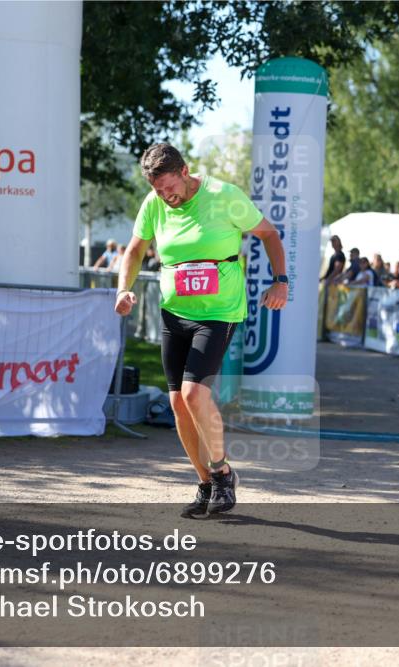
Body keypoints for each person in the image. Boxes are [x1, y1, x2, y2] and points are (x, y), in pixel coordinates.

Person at [114, 143, 287, 517]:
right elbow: (135, 249)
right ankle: (206, 484)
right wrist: (123, 289)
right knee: (177, 402)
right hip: (174, 312)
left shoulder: (223, 195)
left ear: (185, 170)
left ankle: (223, 472)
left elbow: (269, 234)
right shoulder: (154, 204)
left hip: (218, 312)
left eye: (169, 187)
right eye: (158, 190)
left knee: (194, 393)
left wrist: (280, 281)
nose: (165, 196)